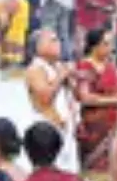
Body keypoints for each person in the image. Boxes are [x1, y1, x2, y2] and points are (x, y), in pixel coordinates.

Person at [72, 28, 117, 181]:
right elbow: (85, 97)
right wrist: (115, 101)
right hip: (94, 127)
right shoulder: (85, 67)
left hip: (113, 124)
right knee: (95, 172)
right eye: (106, 44)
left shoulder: (110, 65)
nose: (110, 48)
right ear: (94, 46)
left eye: (111, 44)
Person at [25, 30, 79, 173]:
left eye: (58, 40)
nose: (58, 44)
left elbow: (74, 95)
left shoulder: (58, 66)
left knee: (69, 172)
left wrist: (71, 78)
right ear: (37, 47)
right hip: (46, 130)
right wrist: (61, 76)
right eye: (52, 41)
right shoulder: (35, 69)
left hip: (66, 130)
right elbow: (45, 98)